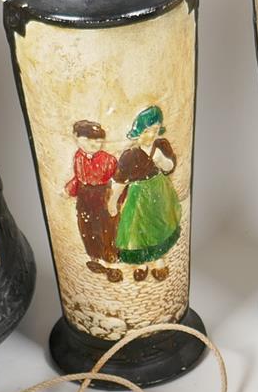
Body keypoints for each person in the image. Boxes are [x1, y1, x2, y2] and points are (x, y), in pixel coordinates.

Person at [111, 106, 181, 282]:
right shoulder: (130, 155)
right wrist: (112, 201)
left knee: (159, 224)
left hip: (159, 191)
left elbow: (170, 167)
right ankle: (141, 262)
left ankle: (158, 259)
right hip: (139, 196)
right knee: (138, 229)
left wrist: (161, 160)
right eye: (149, 130)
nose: (153, 135)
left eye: (156, 130)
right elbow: (120, 181)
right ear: (139, 131)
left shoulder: (161, 146)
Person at [63, 120, 122, 282]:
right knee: (87, 227)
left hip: (103, 195)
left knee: (107, 227)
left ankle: (111, 261)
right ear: (76, 138)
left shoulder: (109, 160)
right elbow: (78, 178)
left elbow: (118, 181)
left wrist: (115, 201)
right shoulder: (78, 157)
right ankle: (95, 257)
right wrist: (69, 189)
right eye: (88, 140)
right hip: (85, 197)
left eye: (98, 140)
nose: (93, 144)